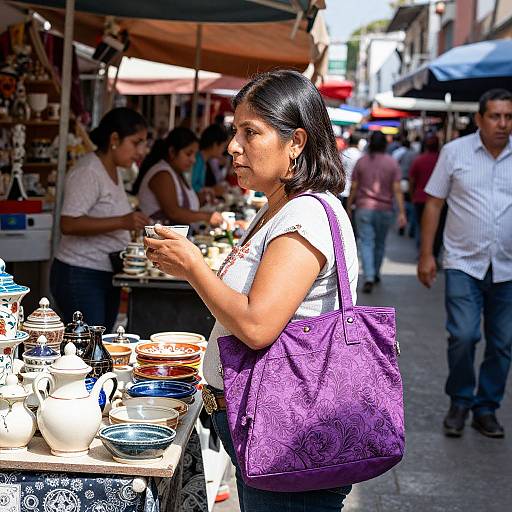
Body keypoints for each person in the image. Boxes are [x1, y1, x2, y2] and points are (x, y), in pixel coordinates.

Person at [145, 69, 357, 511]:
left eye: (250, 133)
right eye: (234, 131)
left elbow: (257, 325)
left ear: (296, 142)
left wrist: (193, 266)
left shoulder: (306, 217)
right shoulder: (277, 208)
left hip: (286, 430)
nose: (233, 147)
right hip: (259, 423)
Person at [417, 88, 512, 439]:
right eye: (495, 116)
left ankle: (486, 408)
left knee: (502, 344)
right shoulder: (454, 152)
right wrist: (426, 254)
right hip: (462, 262)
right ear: (479, 119)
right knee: (464, 335)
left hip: (507, 267)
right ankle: (460, 401)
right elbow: (433, 205)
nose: (503, 124)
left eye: (508, 117)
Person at [50, 107, 150, 332]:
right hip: (80, 273)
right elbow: (68, 223)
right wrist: (122, 222)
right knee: (89, 349)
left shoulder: (113, 170)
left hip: (104, 273)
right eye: (136, 142)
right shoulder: (88, 172)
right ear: (114, 139)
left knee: (100, 344)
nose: (141, 150)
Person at [347, 131, 406, 294]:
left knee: (366, 242)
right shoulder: (392, 163)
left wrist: (349, 205)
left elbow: (354, 186)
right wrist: (401, 212)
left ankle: (369, 276)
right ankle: (375, 272)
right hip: (385, 209)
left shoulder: (362, 162)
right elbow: (397, 190)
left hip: (363, 207)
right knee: (380, 243)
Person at [133, 127, 223, 228]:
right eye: (188, 154)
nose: (193, 160)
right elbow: (173, 212)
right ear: (172, 152)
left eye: (194, 154)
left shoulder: (176, 172)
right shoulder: (162, 174)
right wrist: (207, 216)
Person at [409, 134, 442, 254]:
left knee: (420, 226)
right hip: (438, 200)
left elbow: (412, 180)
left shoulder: (419, 160)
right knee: (437, 228)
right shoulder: (441, 160)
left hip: (420, 198)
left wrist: (412, 195)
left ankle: (421, 252)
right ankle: (432, 253)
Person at [191, 123, 228, 194]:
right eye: (223, 146)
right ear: (215, 145)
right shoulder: (198, 159)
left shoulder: (203, 160)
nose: (223, 150)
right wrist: (211, 190)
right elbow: (192, 186)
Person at [340, 133, 362, 208]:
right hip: (355, 192)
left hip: (342, 190)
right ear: (358, 143)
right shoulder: (360, 155)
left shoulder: (343, 153)